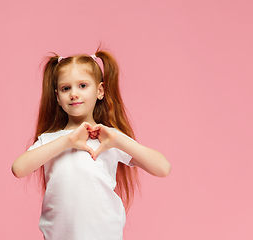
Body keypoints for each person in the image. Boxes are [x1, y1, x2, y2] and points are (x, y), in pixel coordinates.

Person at [12, 48, 171, 240]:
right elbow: (18, 168)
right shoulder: (51, 140)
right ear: (57, 97)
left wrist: (119, 140)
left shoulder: (109, 137)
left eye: (82, 86)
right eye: (66, 88)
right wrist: (67, 142)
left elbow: (162, 168)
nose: (74, 94)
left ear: (100, 91)